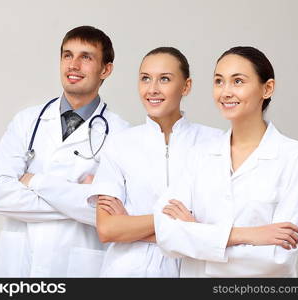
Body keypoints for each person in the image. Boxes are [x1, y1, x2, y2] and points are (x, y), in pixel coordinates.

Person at [154, 46, 298, 277]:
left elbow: (279, 257)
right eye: (219, 81)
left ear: (267, 88)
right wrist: (246, 235)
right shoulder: (199, 154)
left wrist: (197, 234)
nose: (225, 92)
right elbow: (167, 235)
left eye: (238, 81)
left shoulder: (294, 156)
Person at [0, 26, 129, 277]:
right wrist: (81, 196)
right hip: (20, 264)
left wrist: (36, 181)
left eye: (86, 57)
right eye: (67, 55)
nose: (73, 65)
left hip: (78, 268)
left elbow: (113, 216)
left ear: (105, 69)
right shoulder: (26, 121)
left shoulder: (121, 135)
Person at [87, 47, 224, 277]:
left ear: (186, 86)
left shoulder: (216, 143)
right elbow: (108, 228)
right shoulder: (120, 144)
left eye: (164, 79)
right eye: (145, 79)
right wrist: (185, 227)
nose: (152, 89)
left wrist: (130, 224)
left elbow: (220, 230)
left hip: (193, 271)